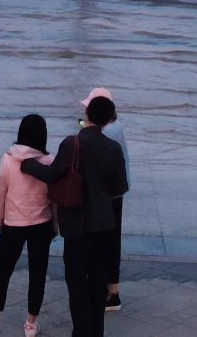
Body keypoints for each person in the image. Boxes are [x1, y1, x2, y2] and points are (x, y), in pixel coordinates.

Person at [20, 94, 128, 337]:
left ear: (87, 115)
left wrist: (28, 165)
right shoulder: (114, 149)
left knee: (77, 281)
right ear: (110, 119)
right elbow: (119, 188)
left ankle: (82, 332)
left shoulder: (72, 144)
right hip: (104, 225)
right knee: (98, 282)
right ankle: (95, 331)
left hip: (77, 225)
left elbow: (53, 174)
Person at [0, 115, 55, 337]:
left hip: (13, 223)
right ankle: (30, 324)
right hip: (42, 223)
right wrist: (55, 226)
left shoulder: (8, 159)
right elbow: (54, 200)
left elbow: (1, 195)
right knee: (38, 274)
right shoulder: (49, 162)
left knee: (1, 271)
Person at [82, 88, 129, 314]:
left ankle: (109, 292)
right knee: (111, 241)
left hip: (108, 195)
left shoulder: (109, 131)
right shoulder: (115, 127)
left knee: (106, 243)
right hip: (115, 192)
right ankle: (112, 292)